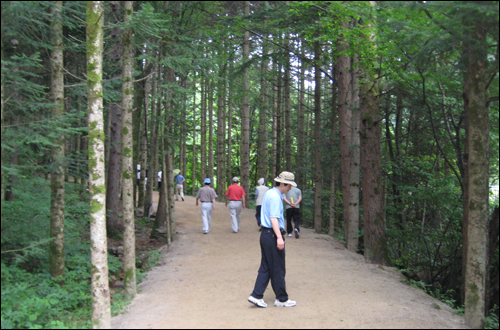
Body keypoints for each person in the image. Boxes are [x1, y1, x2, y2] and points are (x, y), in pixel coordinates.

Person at [248, 171, 297, 308]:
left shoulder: (270, 193)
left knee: (266, 267)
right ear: (282, 183)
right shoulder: (275, 197)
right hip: (272, 235)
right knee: (278, 268)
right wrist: (279, 238)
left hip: (266, 234)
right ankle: (281, 299)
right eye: (289, 185)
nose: (290, 188)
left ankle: (256, 295)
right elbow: (273, 218)